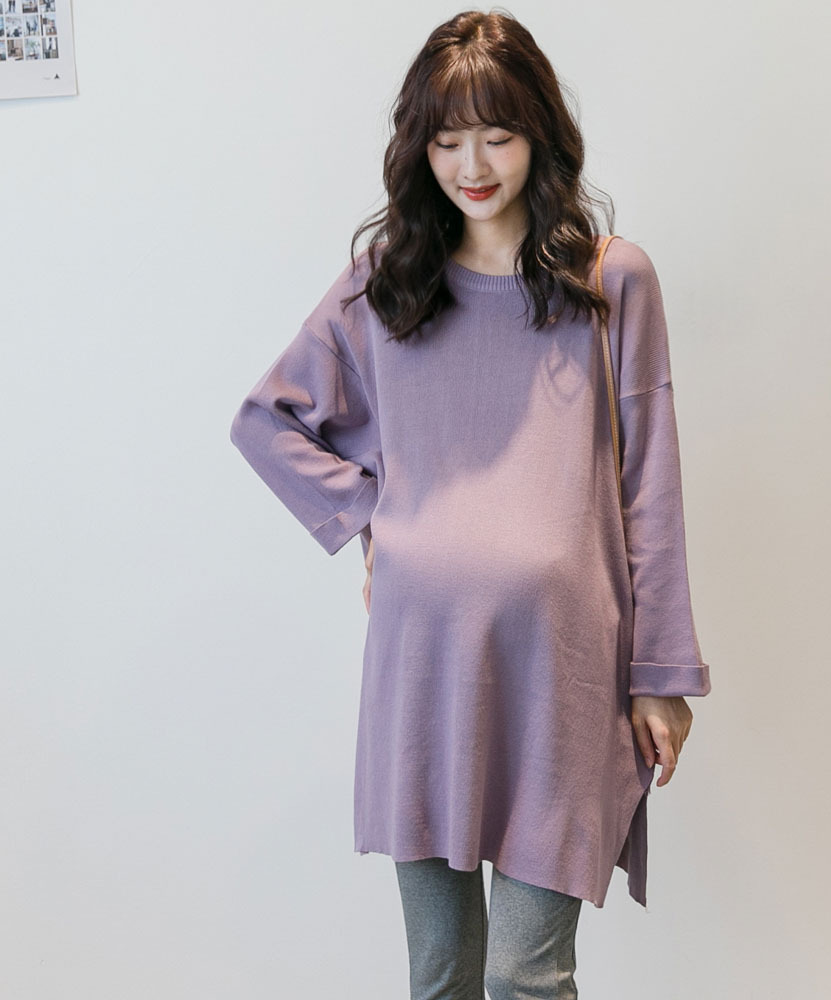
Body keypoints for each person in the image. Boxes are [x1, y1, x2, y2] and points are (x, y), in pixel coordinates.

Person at [229, 9, 712, 999]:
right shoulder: (387, 285)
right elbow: (267, 420)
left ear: (540, 134)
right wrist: (371, 515)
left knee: (526, 975)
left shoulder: (610, 281)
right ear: (419, 147)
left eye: (497, 134)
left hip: (564, 672)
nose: (473, 165)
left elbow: (650, 488)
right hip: (424, 670)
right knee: (442, 974)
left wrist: (660, 673)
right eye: (447, 140)